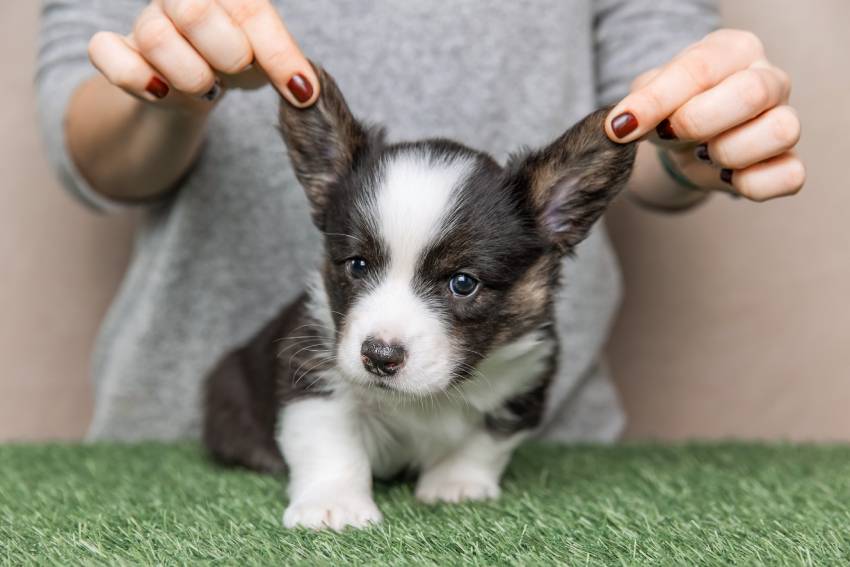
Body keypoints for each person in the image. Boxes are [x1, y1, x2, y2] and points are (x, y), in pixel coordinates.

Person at [37, 0, 804, 441]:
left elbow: (660, 61)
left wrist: (696, 134)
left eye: (461, 282)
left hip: (533, 447)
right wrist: (169, 90)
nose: (387, 328)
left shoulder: (554, 207)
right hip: (194, 432)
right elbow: (85, 129)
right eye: (361, 268)